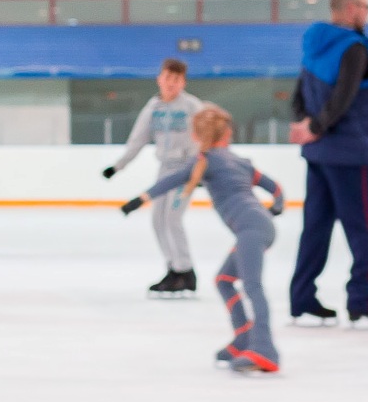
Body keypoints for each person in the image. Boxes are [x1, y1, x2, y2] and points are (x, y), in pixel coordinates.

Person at [123, 105, 287, 373]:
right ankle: (243, 337)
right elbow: (277, 189)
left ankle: (264, 349)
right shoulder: (240, 162)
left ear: (196, 136)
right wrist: (275, 208)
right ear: (228, 133)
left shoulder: (205, 161)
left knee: (252, 286)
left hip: (250, 229)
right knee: (224, 280)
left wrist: (138, 200)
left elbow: (168, 181)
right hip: (259, 225)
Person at [287, 0, 368, 325]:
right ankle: (361, 299)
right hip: (351, 152)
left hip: (319, 155)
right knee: (363, 228)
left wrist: (304, 125)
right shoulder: (354, 48)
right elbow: (344, 97)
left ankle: (301, 297)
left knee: (315, 226)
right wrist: (317, 127)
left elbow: (299, 94)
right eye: (366, 8)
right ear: (353, 8)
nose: (367, 15)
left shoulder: (313, 45)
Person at [102, 57, 202, 295]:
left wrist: (201, 168)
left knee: (172, 219)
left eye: (176, 79)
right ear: (159, 78)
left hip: (186, 170)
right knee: (158, 220)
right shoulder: (153, 108)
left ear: (183, 82)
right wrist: (118, 166)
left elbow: (208, 136)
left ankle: (185, 271)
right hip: (164, 169)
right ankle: (173, 268)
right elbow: (137, 139)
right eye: (168, 77)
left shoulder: (192, 107)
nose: (171, 83)